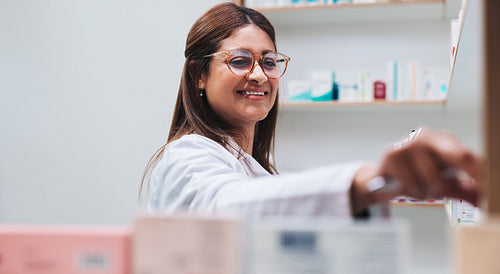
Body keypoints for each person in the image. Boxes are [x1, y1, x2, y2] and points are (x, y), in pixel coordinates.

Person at [139, 2, 481, 218]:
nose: (258, 75)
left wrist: (384, 187)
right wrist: (365, 179)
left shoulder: (254, 169)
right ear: (200, 74)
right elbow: (228, 207)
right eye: (239, 60)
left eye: (269, 61)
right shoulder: (184, 158)